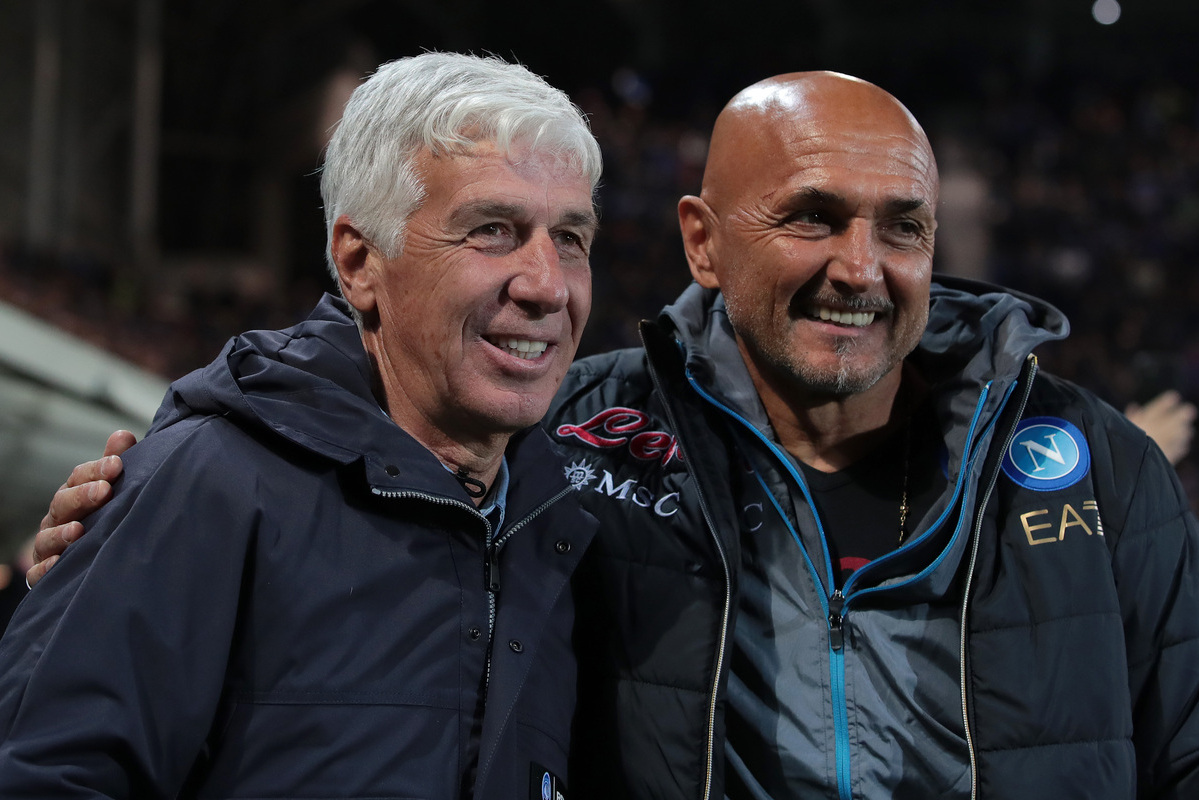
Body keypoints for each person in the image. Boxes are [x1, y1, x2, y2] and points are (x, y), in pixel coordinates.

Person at [28, 71, 1199, 799]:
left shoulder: (1096, 473)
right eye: (811, 217)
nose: (860, 266)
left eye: (902, 226)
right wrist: (105, 555)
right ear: (700, 240)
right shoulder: (582, 440)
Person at [0, 52, 600, 800]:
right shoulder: (206, 483)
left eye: (570, 238)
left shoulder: (566, 527)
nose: (547, 284)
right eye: (491, 230)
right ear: (358, 262)